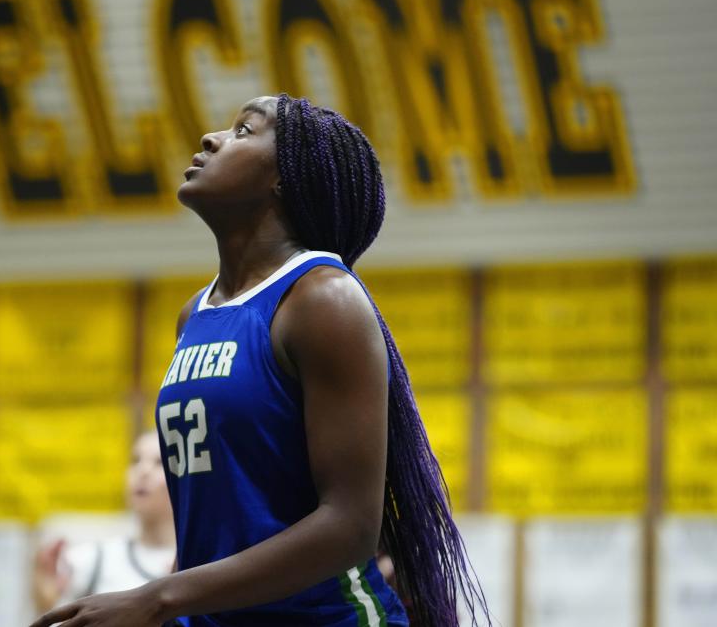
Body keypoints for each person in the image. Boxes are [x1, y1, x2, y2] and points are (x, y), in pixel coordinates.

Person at [31, 94, 486, 626]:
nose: (212, 139)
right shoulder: (193, 315)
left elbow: (349, 526)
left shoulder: (322, 299)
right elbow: (216, 512)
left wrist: (157, 596)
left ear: (285, 179)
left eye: (245, 131)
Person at [32, 431, 176, 613]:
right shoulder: (91, 561)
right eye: (135, 461)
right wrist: (48, 603)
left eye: (159, 463)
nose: (143, 471)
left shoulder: (204, 568)